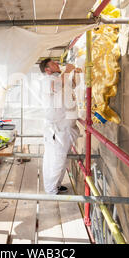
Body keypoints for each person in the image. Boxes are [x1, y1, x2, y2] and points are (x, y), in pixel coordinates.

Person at [39, 58, 81, 195]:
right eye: (53, 63)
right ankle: (51, 190)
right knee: (56, 159)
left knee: (62, 160)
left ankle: (56, 185)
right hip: (56, 130)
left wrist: (74, 72)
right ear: (47, 69)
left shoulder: (61, 79)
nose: (57, 64)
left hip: (65, 128)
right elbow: (57, 84)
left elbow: (72, 84)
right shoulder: (47, 80)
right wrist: (68, 70)